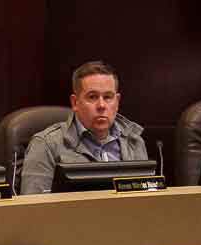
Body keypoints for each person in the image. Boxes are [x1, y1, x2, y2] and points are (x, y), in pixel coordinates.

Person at [18, 61, 151, 195]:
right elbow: (34, 209)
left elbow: (147, 201)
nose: (101, 105)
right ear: (75, 102)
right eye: (92, 97)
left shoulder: (134, 142)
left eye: (108, 97)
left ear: (117, 102)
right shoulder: (46, 145)